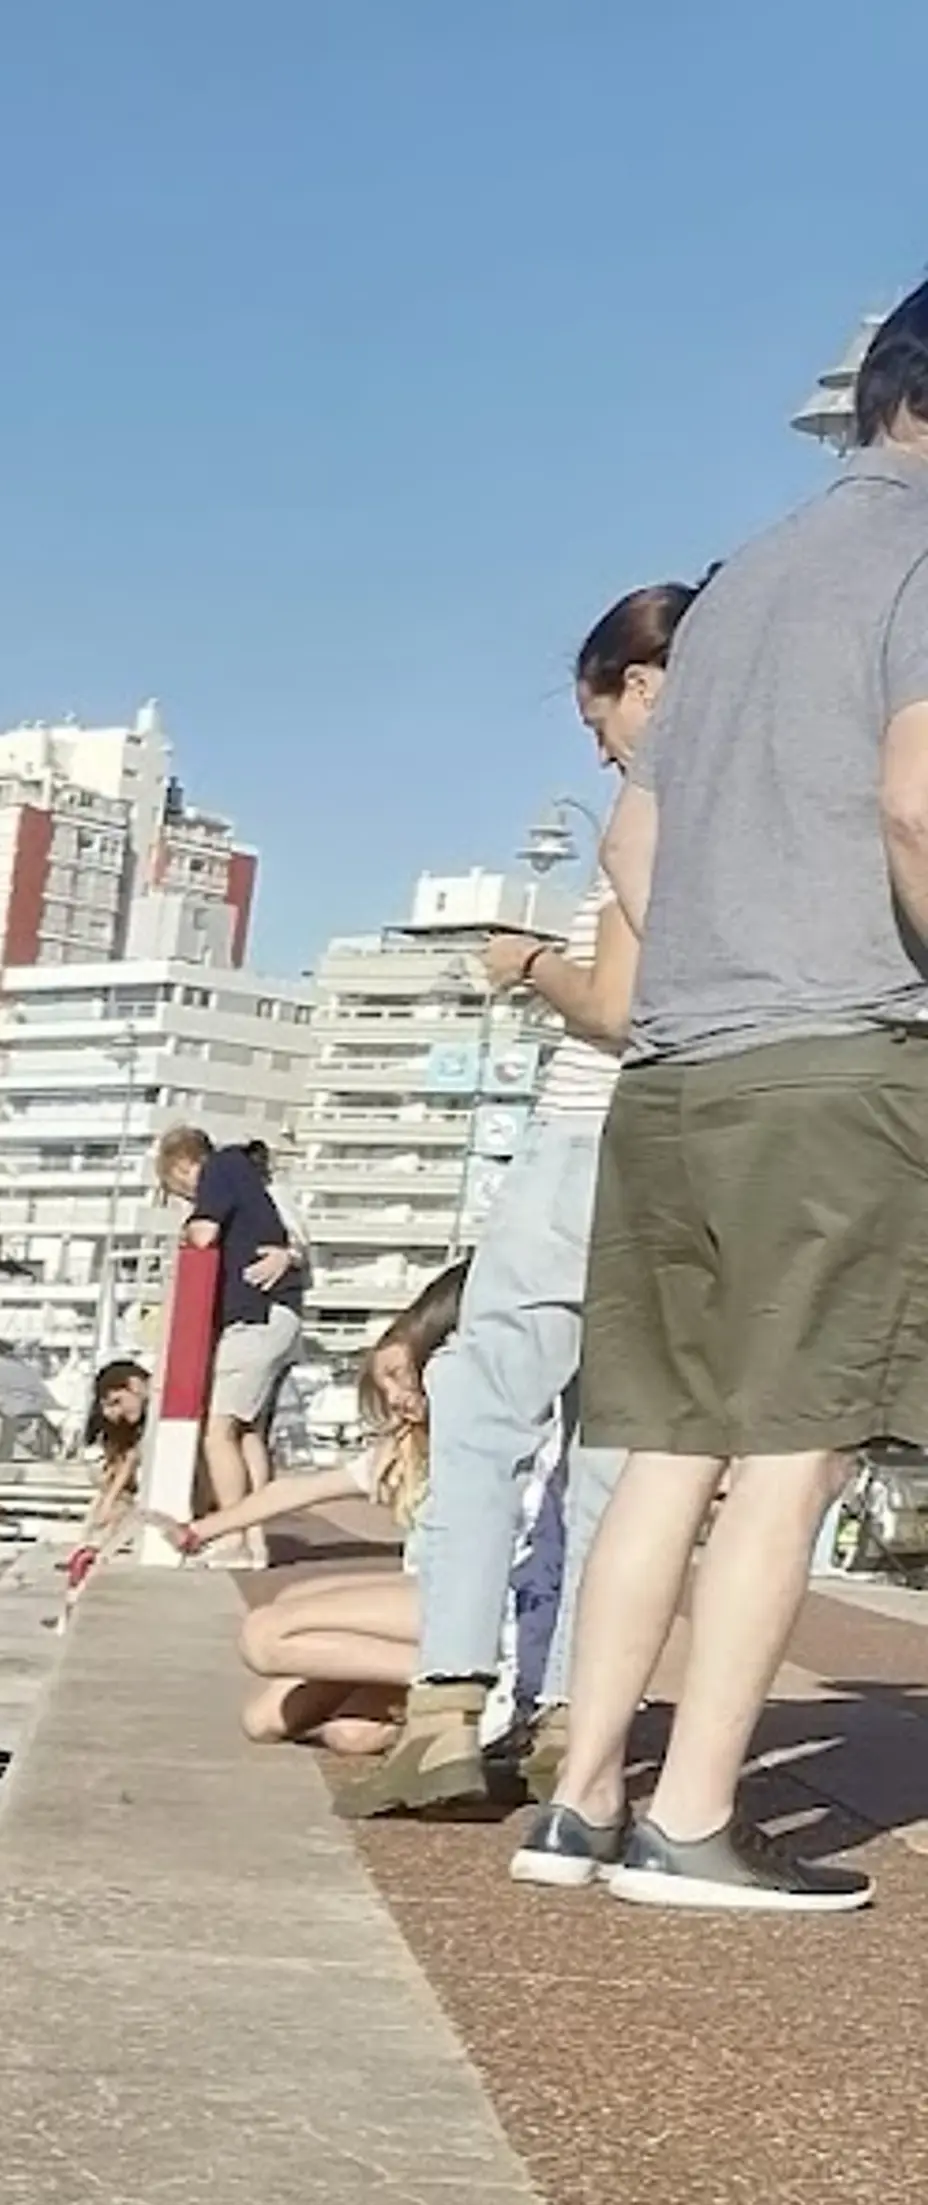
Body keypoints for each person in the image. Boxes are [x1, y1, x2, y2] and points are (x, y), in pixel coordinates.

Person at [526, 281, 928, 1910]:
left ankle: (581, 1799)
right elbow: (915, 805)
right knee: (797, 1449)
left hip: (678, 1066)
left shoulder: (745, 578)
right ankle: (695, 1819)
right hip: (834, 1053)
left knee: (670, 1451)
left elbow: (661, 829)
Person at [337, 581, 695, 1821]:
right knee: (612, 1440)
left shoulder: (658, 808)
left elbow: (621, 1009)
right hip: (680, 1158)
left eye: (600, 719)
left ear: (641, 684)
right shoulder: (765, 801)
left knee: (480, 1405)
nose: (599, 747)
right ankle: (565, 1722)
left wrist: (529, 964)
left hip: (588, 1137)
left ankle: (447, 1704)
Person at [157, 1269, 460, 1751]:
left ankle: (468, 1680)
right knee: (283, 1723)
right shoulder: (402, 1452)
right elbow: (295, 1492)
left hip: (461, 1604)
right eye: (386, 1388)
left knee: (264, 1636)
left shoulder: (479, 1442)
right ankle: (427, 1683)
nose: (397, 1399)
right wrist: (200, 1530)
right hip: (421, 1595)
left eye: (403, 1378)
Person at [156, 1125, 309, 1515]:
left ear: (183, 1166)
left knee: (218, 1433)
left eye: (180, 1191)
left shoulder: (220, 1170)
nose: (187, 1200)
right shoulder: (252, 1182)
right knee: (247, 1432)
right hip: (278, 1316)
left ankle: (234, 1530)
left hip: (252, 1320)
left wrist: (188, 1230)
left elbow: (204, 1234)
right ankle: (253, 1533)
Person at [62, 1355, 151, 1582]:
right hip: (132, 1493)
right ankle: (90, 1546)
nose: (115, 1412)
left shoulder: (151, 1419)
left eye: (117, 1401)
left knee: (114, 1501)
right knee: (108, 1500)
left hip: (137, 1497)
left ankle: (92, 1548)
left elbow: (127, 1465)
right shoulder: (137, 1425)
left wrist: (109, 1500)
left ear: (134, 1385)